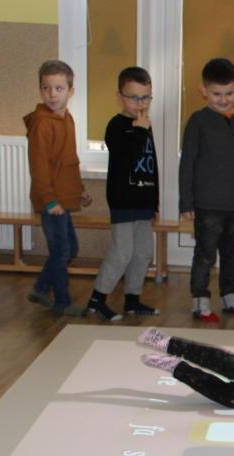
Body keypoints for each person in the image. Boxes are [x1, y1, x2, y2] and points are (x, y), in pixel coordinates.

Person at [178, 57, 234, 323]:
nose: (223, 99)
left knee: (233, 254)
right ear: (203, 90)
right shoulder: (197, 122)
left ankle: (230, 296)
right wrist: (186, 202)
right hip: (206, 205)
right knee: (205, 254)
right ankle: (200, 300)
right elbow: (187, 164)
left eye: (229, 93)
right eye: (216, 94)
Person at [87, 66, 160, 321]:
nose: (140, 104)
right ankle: (97, 300)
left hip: (143, 202)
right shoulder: (116, 126)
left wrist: (154, 201)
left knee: (143, 253)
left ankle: (132, 299)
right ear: (119, 97)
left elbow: (150, 164)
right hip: (123, 202)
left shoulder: (144, 126)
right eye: (134, 97)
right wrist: (139, 130)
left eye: (146, 97)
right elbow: (125, 156)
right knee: (122, 253)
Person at [24, 59, 92, 316]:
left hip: (64, 197)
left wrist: (79, 190)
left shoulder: (67, 119)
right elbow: (39, 166)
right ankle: (62, 301)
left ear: (70, 91)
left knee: (70, 249)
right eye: (46, 88)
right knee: (61, 250)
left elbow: (68, 160)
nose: (52, 94)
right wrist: (49, 199)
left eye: (59, 88)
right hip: (51, 201)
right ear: (40, 90)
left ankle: (41, 288)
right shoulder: (42, 124)